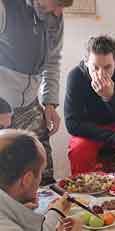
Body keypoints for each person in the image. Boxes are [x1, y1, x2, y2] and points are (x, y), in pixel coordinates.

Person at [0, 0, 73, 185]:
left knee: (43, 173)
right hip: (2, 104)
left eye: (63, 7)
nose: (58, 13)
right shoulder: (4, 6)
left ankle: (47, 214)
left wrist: (49, 103)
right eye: (56, 4)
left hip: (31, 104)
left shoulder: (55, 16)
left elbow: (52, 61)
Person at [64, 35, 115, 175]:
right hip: (89, 128)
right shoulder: (76, 76)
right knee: (79, 149)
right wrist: (113, 136)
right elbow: (72, 124)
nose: (101, 74)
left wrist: (109, 98)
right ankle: (84, 191)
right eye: (95, 67)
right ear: (86, 62)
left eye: (107, 67)